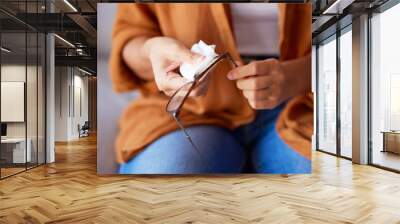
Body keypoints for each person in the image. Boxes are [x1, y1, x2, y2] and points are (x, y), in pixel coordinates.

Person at [110, 3, 313, 174]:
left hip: (300, 104)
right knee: (161, 190)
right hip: (190, 110)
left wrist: (299, 76)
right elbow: (131, 33)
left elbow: (343, 26)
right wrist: (151, 50)